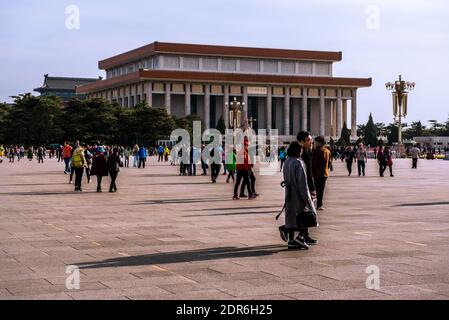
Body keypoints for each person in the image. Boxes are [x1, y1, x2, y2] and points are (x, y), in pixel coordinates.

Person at [281, 141, 317, 250]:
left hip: (289, 192)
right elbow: (302, 182)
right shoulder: (298, 162)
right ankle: (301, 237)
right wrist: (306, 197)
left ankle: (291, 240)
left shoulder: (287, 161)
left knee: (291, 217)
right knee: (306, 215)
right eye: (301, 150)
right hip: (298, 194)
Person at [312, 136, 331, 211]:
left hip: (317, 173)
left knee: (316, 189)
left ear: (319, 143)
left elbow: (314, 163)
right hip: (325, 173)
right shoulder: (327, 151)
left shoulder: (317, 151)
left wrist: (311, 172)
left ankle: (318, 203)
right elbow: (329, 163)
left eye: (316, 142)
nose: (315, 143)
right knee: (321, 189)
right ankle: (320, 204)